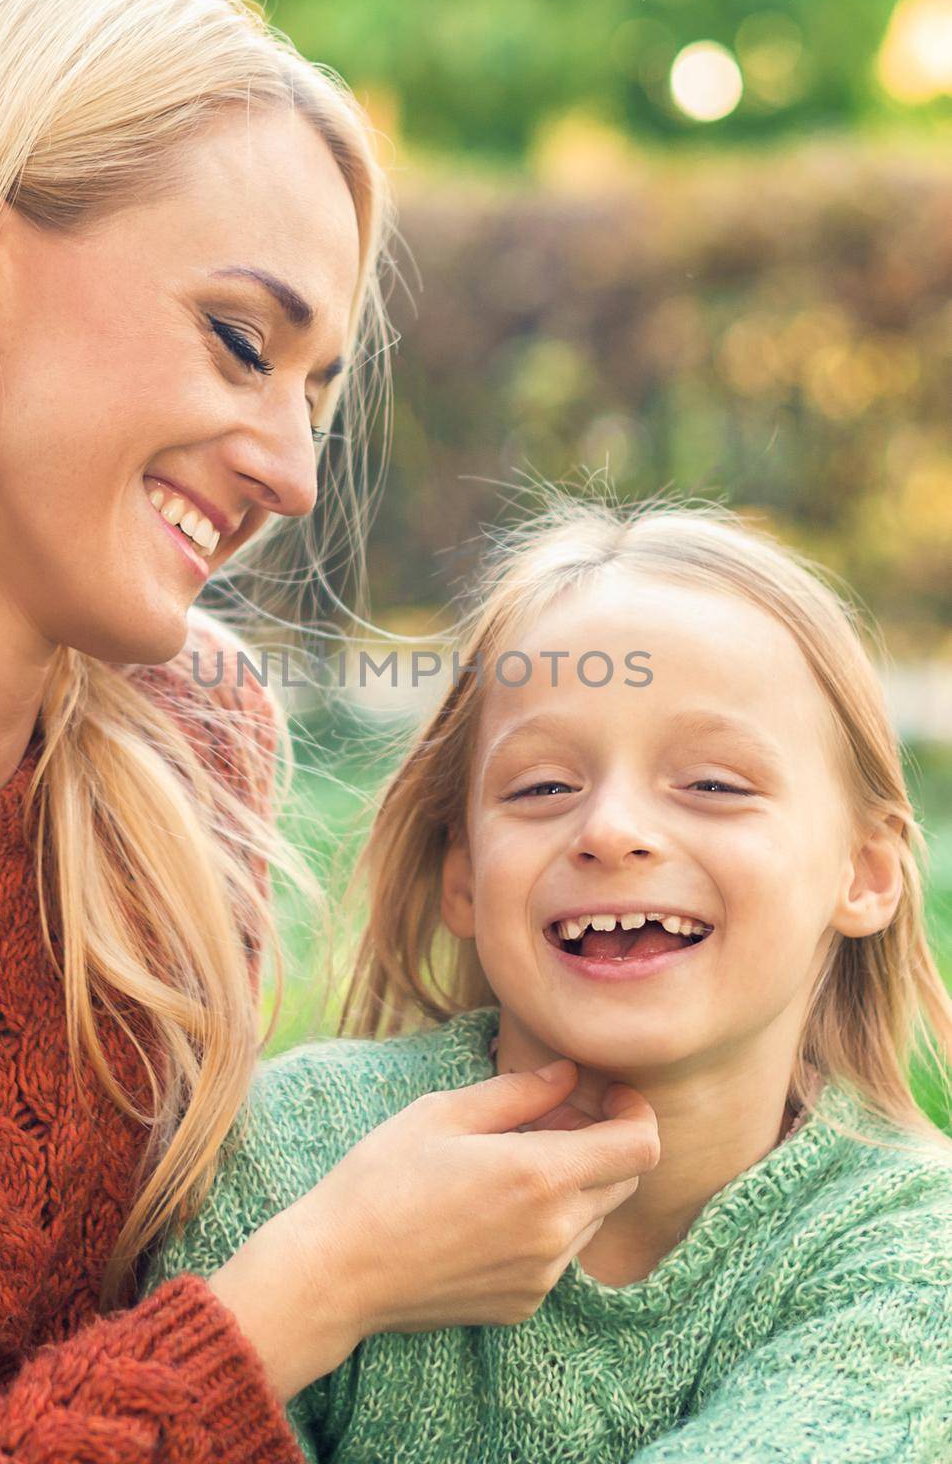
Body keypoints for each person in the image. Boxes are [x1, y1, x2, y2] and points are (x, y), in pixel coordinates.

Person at [0, 0, 663, 1462]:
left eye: (313, 393)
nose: (291, 477)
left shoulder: (194, 753)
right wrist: (309, 1292)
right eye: (241, 341)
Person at [146, 491, 952, 1462]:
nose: (610, 829)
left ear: (862, 874)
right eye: (542, 787)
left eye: (711, 783)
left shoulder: (914, 1255)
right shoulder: (288, 1160)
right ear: (463, 877)